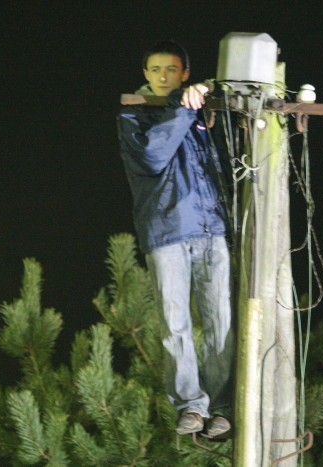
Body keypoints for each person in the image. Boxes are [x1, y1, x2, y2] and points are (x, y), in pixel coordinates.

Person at [116, 40, 234, 438]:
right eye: (155, 70)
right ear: (146, 73)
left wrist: (202, 106)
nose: (163, 77)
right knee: (175, 324)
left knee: (221, 322)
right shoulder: (133, 114)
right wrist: (184, 109)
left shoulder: (201, 112)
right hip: (167, 231)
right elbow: (152, 156)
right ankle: (191, 406)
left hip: (211, 229)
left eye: (171, 70)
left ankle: (222, 406)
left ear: (184, 73)